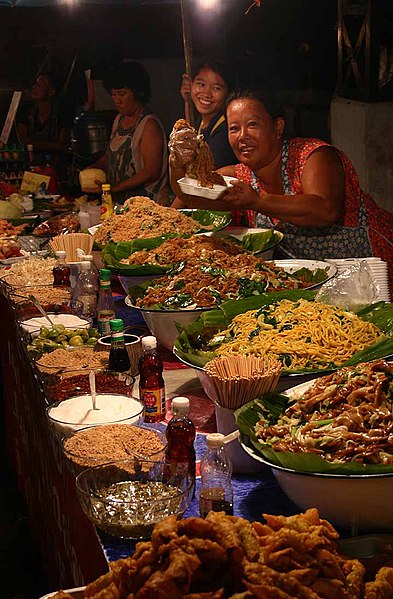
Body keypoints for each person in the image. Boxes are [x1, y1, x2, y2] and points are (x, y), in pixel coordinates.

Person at [169, 88, 393, 294]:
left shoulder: (312, 155)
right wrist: (177, 161)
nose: (242, 136)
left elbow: (325, 210)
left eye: (253, 125)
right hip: (320, 285)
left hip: (375, 272)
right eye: (234, 128)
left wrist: (257, 202)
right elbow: (188, 194)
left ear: (277, 127)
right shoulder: (241, 176)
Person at [87, 61, 168, 205]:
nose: (116, 100)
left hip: (148, 205)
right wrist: (95, 167)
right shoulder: (119, 119)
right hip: (122, 204)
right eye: (113, 94)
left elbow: (151, 172)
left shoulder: (149, 125)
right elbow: (110, 156)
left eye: (121, 94)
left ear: (137, 93)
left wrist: (114, 188)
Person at [171, 60, 236, 208]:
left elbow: (197, 180)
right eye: (200, 84)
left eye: (216, 88)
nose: (206, 94)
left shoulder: (224, 129)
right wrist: (187, 101)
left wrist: (170, 212)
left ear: (227, 93)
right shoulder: (203, 121)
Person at [17, 71, 73, 178]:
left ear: (51, 91)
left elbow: (63, 146)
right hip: (30, 168)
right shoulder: (25, 111)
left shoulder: (61, 113)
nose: (34, 87)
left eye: (40, 85)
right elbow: (23, 142)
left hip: (56, 169)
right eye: (35, 84)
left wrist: (36, 145)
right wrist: (50, 146)